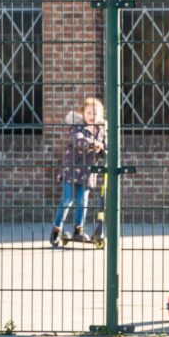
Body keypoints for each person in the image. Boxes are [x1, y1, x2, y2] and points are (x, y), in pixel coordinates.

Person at [50, 97, 107, 247]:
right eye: (88, 112)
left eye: (95, 113)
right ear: (83, 113)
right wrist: (96, 144)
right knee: (68, 199)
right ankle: (56, 230)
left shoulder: (101, 131)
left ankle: (78, 230)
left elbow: (105, 148)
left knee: (83, 200)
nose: (91, 116)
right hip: (71, 170)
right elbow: (78, 141)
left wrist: (102, 148)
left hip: (88, 172)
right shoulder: (78, 128)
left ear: (100, 115)